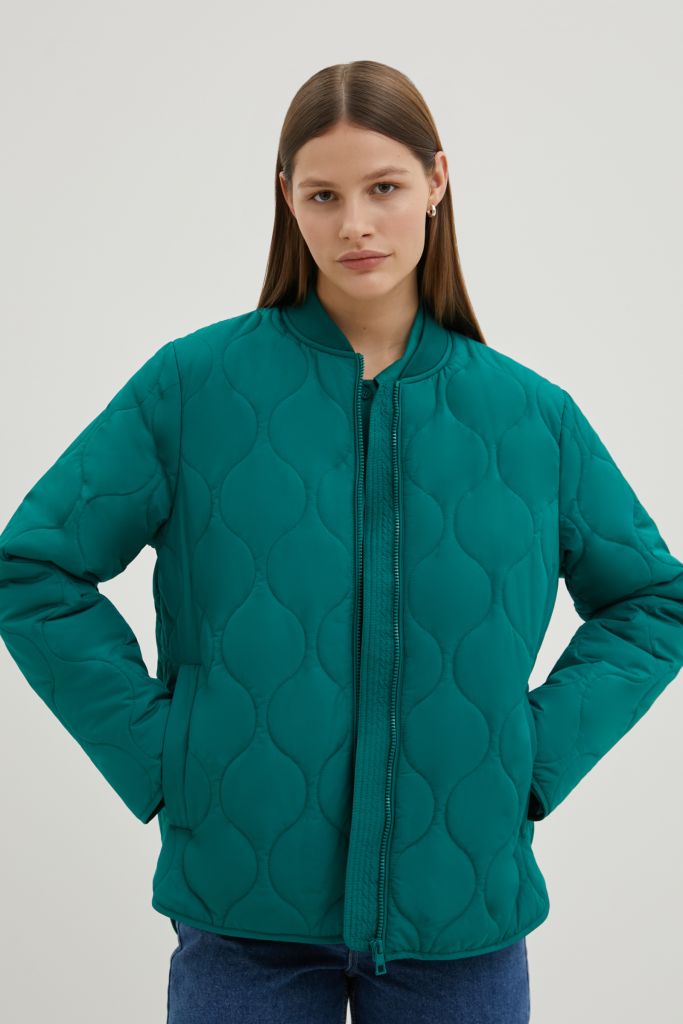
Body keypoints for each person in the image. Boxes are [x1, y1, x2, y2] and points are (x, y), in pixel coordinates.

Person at [1, 60, 682, 1024]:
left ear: (436, 182)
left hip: (461, 924)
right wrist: (163, 756)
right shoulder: (192, 388)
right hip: (243, 922)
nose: (355, 223)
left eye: (384, 188)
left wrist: (529, 759)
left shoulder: (532, 418)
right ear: (287, 199)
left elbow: (653, 601)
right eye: (323, 195)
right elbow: (33, 568)